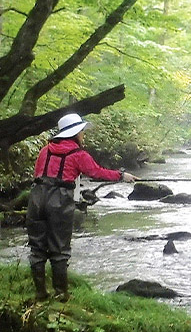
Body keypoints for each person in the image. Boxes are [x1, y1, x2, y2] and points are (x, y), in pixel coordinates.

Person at [27, 113, 137, 301]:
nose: (83, 136)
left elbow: (39, 173)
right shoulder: (78, 155)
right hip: (59, 200)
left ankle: (40, 293)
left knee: (37, 247)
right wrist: (121, 176)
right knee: (59, 249)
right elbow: (96, 172)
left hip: (36, 197)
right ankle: (61, 295)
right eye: (82, 132)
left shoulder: (45, 150)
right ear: (75, 133)